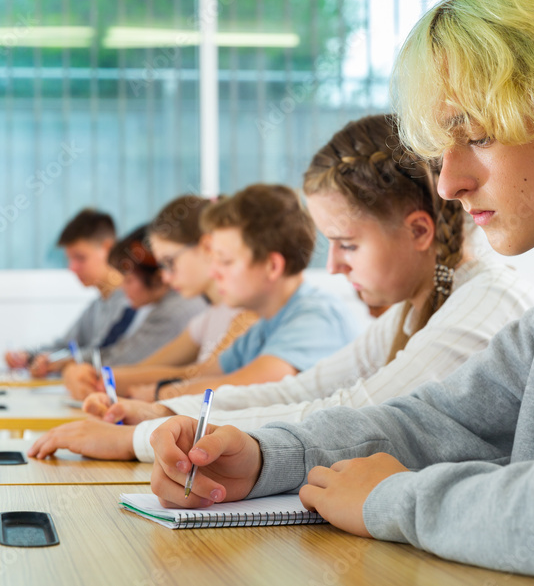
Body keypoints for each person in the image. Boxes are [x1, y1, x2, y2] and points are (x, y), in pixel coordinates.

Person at [149, 0, 534, 585]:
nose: (448, 182)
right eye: (441, 149)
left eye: (479, 135)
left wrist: (397, 500)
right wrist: (268, 456)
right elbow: (441, 421)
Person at [30, 115, 534, 462]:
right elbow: (308, 389)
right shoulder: (416, 308)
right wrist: (163, 412)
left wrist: (143, 436)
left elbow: (354, 415)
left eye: (346, 245)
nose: (334, 266)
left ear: (419, 232)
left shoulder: (484, 303)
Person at [29, 183, 365, 461]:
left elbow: (246, 389)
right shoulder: (266, 323)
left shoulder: (315, 315)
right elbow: (205, 375)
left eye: (224, 260)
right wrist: (132, 396)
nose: (214, 271)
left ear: (272, 266)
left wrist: (153, 406)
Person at [61, 195, 257, 401]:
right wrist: (89, 375)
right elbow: (150, 369)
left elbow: (200, 376)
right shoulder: (210, 316)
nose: (163, 276)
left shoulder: (245, 313)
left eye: (169, 262)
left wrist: (99, 377)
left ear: (206, 247)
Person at [39, 225, 207, 377]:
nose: (122, 288)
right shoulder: (161, 306)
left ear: (156, 278)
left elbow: (127, 362)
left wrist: (74, 367)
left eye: (128, 281)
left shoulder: (175, 310)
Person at [4, 209, 135, 375]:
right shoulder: (97, 305)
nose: (72, 268)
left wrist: (59, 362)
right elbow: (64, 346)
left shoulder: (132, 302)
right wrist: (27, 355)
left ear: (107, 248)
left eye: (80, 258)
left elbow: (108, 354)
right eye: (69, 259)